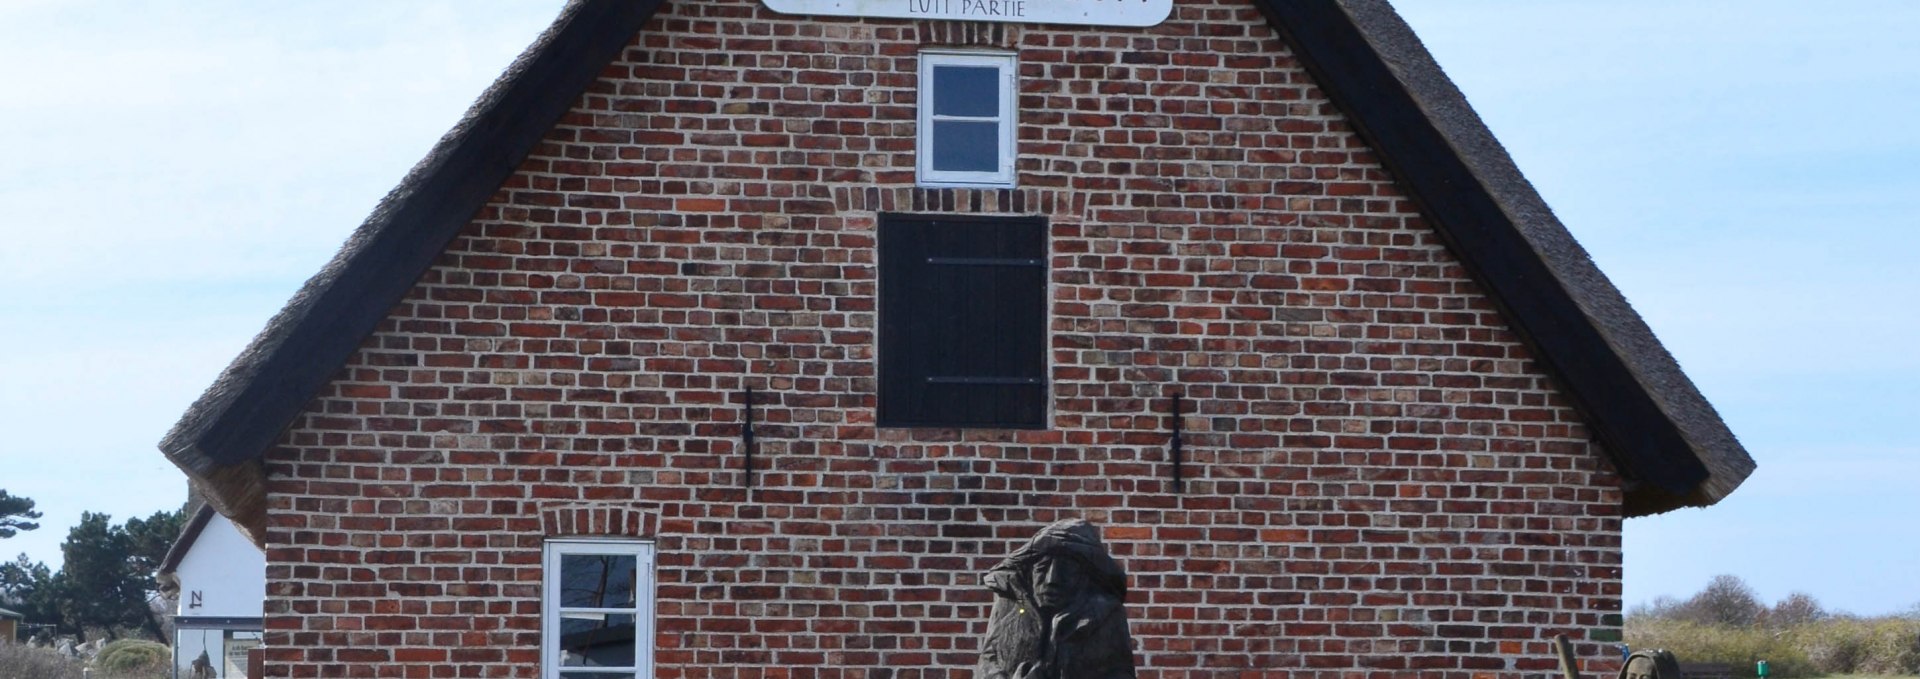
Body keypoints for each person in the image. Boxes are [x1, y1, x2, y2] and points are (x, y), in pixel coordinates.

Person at [975, 519, 1136, 679]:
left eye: (1066, 570)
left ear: (1084, 576)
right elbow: (988, 661)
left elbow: (1122, 673)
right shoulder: (1012, 603)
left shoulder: (1107, 614)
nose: (1052, 579)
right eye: (1042, 568)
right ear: (1028, 572)